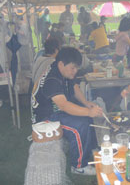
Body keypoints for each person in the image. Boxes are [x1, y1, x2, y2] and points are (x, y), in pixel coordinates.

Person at [31, 47, 103, 175]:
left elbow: (74, 87)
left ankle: (91, 149)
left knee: (87, 118)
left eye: (76, 68)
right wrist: (88, 111)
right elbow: (64, 105)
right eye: (73, 68)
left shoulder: (63, 70)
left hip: (57, 110)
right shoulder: (51, 79)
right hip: (45, 117)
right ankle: (79, 166)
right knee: (79, 126)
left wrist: (87, 104)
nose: (75, 72)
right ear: (61, 64)